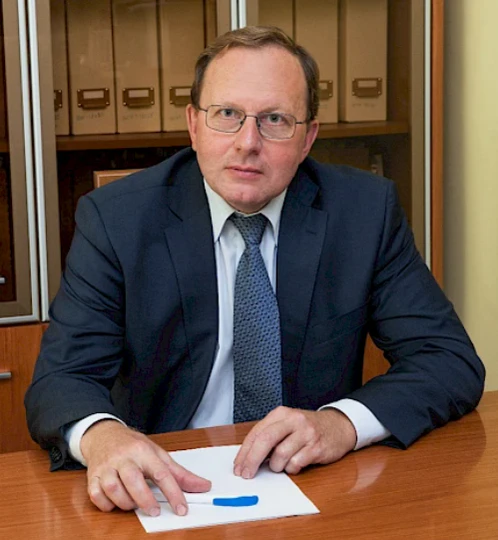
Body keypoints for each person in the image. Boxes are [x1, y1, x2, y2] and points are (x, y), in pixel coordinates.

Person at [25, 26, 484, 519]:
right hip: (166, 488)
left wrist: (340, 424)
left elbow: (446, 359)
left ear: (308, 138)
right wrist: (104, 437)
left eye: (275, 119)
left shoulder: (364, 213)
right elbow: (62, 378)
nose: (248, 143)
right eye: (227, 114)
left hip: (312, 486)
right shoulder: (117, 219)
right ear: (194, 125)